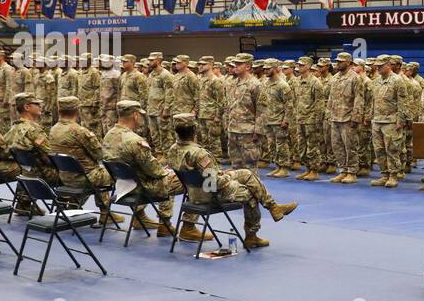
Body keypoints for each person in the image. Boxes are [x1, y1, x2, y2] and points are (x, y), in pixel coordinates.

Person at [164, 114, 298, 249]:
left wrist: (220, 174)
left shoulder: (172, 150)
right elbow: (214, 183)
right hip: (210, 195)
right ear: (194, 130)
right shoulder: (199, 154)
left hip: (192, 192)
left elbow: (202, 175)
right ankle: (252, 236)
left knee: (247, 174)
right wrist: (226, 176)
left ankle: (274, 207)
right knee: (251, 193)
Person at [102, 100, 208, 241]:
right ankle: (181, 226)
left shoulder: (109, 135)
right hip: (142, 188)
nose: (141, 117)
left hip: (123, 184)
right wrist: (168, 171)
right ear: (134, 115)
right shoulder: (135, 141)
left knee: (164, 176)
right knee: (193, 179)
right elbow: (156, 172)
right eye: (139, 114)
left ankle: (140, 218)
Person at [50, 95, 122, 226]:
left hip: (64, 177)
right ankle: (106, 213)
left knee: (95, 171)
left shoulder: (53, 129)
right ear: (78, 111)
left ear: (59, 111)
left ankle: (74, 204)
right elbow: (101, 155)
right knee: (112, 172)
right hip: (83, 178)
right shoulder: (79, 131)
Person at [370, 55, 407, 187]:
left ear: (388, 65)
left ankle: (393, 175)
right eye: (377, 66)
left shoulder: (398, 80)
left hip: (391, 121)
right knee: (378, 150)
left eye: (381, 66)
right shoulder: (376, 81)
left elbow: (403, 102)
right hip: (377, 120)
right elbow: (373, 101)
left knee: (392, 149)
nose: (378, 68)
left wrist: (401, 120)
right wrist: (371, 117)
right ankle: (384, 174)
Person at [326, 53, 361, 182]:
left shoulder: (355, 78)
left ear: (348, 63)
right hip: (335, 117)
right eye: (337, 61)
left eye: (341, 61)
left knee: (350, 146)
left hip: (348, 118)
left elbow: (359, 98)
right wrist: (328, 114)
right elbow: (331, 98)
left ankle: (352, 172)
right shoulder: (335, 78)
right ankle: (343, 170)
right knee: (337, 146)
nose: (338, 63)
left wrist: (355, 118)